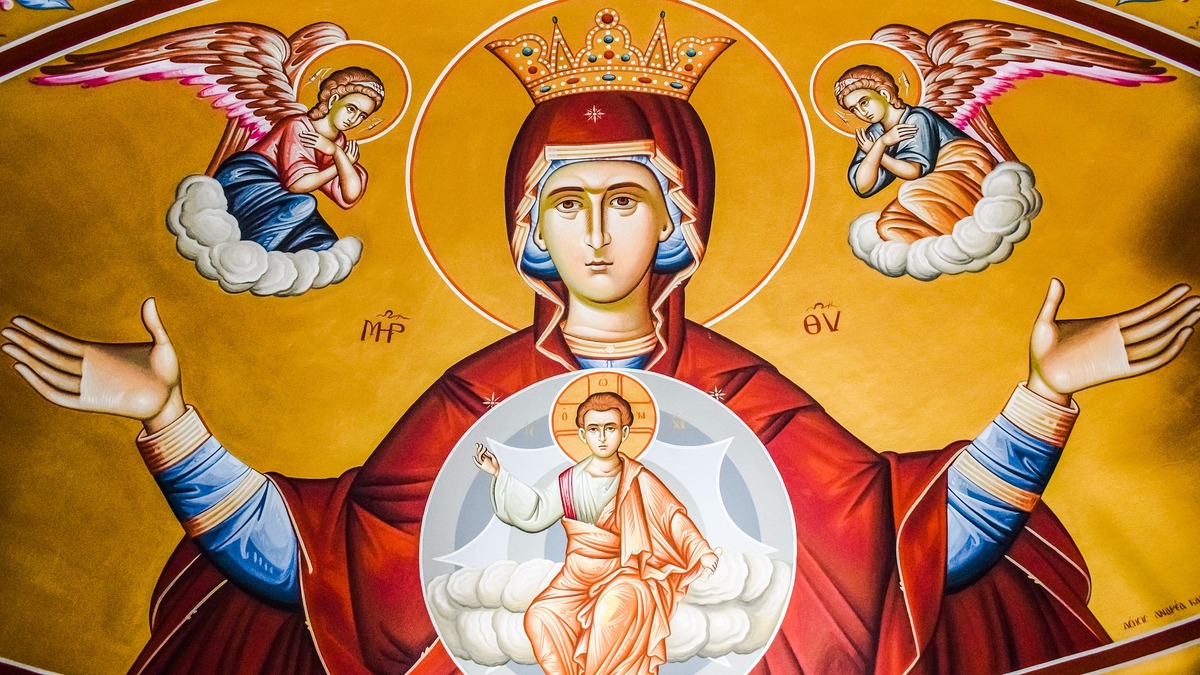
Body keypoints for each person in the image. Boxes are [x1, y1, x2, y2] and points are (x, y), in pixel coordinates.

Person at [3, 14, 1199, 674]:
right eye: (565, 203)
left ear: (678, 221)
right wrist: (167, 418)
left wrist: (1044, 394)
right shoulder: (472, 399)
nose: (593, 230)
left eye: (623, 199)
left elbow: (901, 548)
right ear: (527, 227)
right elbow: (327, 571)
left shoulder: (748, 395)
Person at [474, 391, 718, 674]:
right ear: (582, 434)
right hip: (576, 578)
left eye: (610, 428)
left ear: (624, 432)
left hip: (625, 573)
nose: (602, 437)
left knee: (611, 609)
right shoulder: (570, 482)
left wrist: (701, 550)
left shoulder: (638, 479)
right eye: (593, 429)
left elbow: (671, 517)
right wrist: (499, 474)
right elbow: (537, 510)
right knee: (539, 617)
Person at [212, 67, 383, 253]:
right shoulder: (300, 126)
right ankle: (250, 255)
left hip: (282, 194)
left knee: (322, 241)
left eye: (362, 116)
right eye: (351, 109)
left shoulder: (338, 143)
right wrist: (339, 164)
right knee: (302, 205)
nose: (354, 119)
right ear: (334, 100)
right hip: (247, 180)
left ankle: (276, 261)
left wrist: (338, 154)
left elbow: (350, 195)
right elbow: (298, 185)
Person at [837, 65, 997, 243]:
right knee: (889, 225)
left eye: (864, 102)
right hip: (931, 182)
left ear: (884, 94)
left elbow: (913, 171)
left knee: (911, 195)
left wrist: (877, 150)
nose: (862, 113)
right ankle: (945, 245)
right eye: (854, 109)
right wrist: (880, 145)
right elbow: (862, 187)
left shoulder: (916, 118)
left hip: (963, 167)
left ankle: (969, 236)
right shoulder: (874, 134)